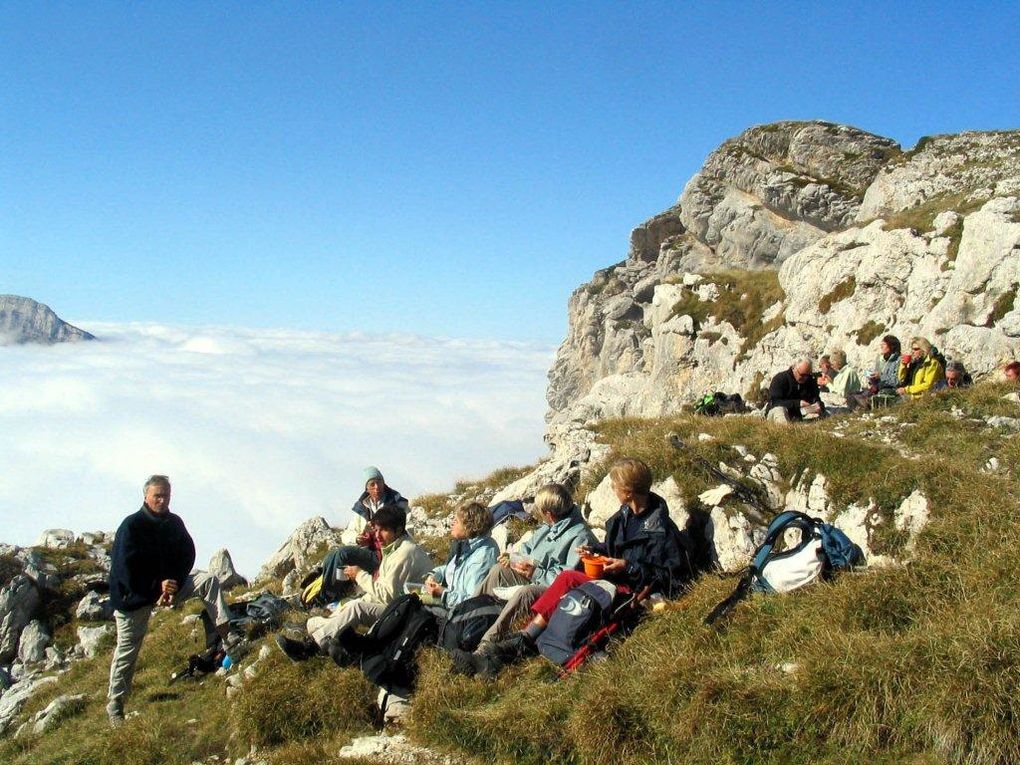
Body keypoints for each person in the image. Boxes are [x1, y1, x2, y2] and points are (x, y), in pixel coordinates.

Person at [453, 458, 694, 677]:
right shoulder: (624, 517)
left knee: (566, 577)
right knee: (568, 578)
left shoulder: (660, 529)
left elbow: (669, 574)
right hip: (611, 582)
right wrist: (597, 552)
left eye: (615, 486)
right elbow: (612, 548)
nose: (612, 490)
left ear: (628, 492)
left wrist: (628, 566)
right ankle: (520, 639)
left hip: (630, 592)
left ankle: (515, 644)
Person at [107, 475, 236, 726]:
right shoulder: (131, 526)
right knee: (127, 650)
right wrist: (156, 587)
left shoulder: (174, 523)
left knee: (208, 581)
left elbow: (187, 553)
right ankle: (115, 705)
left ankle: (230, 640)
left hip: (170, 587)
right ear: (145, 496)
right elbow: (124, 570)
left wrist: (173, 584)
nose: (163, 500)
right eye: (157, 495)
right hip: (133, 597)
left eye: (166, 495)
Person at [276, 504, 432, 661]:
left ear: (398, 530)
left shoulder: (405, 553)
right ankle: (313, 627)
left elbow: (387, 596)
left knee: (356, 608)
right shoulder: (394, 548)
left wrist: (359, 575)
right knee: (351, 604)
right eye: (376, 530)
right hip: (398, 606)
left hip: (407, 614)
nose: (377, 535)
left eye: (383, 530)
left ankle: (308, 648)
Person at [473, 483, 597, 648]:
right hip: (532, 575)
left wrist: (536, 573)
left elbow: (567, 578)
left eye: (540, 510)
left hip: (554, 590)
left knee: (526, 592)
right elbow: (527, 549)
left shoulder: (580, 536)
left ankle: (487, 644)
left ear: (549, 513)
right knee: (498, 571)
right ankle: (468, 617)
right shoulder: (548, 527)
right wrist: (512, 559)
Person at [423, 502, 500, 611]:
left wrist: (443, 594)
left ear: (470, 526)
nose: (452, 523)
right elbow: (450, 570)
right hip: (450, 606)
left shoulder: (484, 554)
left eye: (457, 521)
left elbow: (471, 601)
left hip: (460, 615)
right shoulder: (466, 545)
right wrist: (434, 575)